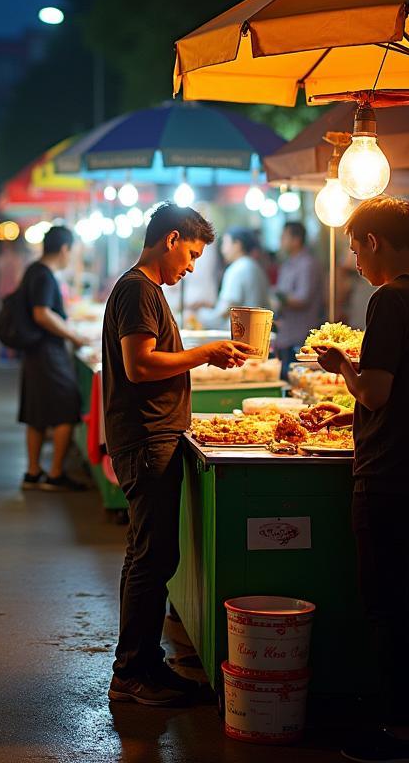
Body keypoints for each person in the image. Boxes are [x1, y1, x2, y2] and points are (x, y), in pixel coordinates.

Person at [315, 197, 409, 763]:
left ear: (374, 241)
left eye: (354, 246)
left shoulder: (389, 300)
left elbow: (374, 391)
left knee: (387, 607)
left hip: (389, 475)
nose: (353, 259)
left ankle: (397, 734)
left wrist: (341, 366)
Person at [103, 203, 251, 707]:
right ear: (169, 240)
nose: (190, 267)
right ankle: (130, 673)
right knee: (151, 556)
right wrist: (206, 353)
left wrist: (205, 356)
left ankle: (145, 664)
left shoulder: (144, 291)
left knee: (153, 554)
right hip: (146, 440)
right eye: (189, 255)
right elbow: (140, 366)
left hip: (153, 436)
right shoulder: (137, 290)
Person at [18, 225, 89, 492]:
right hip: (47, 351)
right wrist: (73, 336)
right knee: (67, 408)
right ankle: (56, 473)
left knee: (36, 412)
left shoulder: (34, 270)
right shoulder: (45, 275)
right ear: (64, 249)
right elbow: (42, 313)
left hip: (35, 352)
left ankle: (33, 472)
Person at [273, 221, 323, 377]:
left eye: (284, 237)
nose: (281, 240)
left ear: (296, 240)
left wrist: (279, 298)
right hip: (286, 333)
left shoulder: (307, 264)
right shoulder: (288, 263)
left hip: (300, 335)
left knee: (298, 379)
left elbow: (303, 298)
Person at [195, 227, 271, 329]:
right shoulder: (255, 266)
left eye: (225, 243)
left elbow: (226, 310)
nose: (223, 249)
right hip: (258, 332)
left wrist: (200, 316)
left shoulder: (237, 269)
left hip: (242, 335)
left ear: (237, 245)